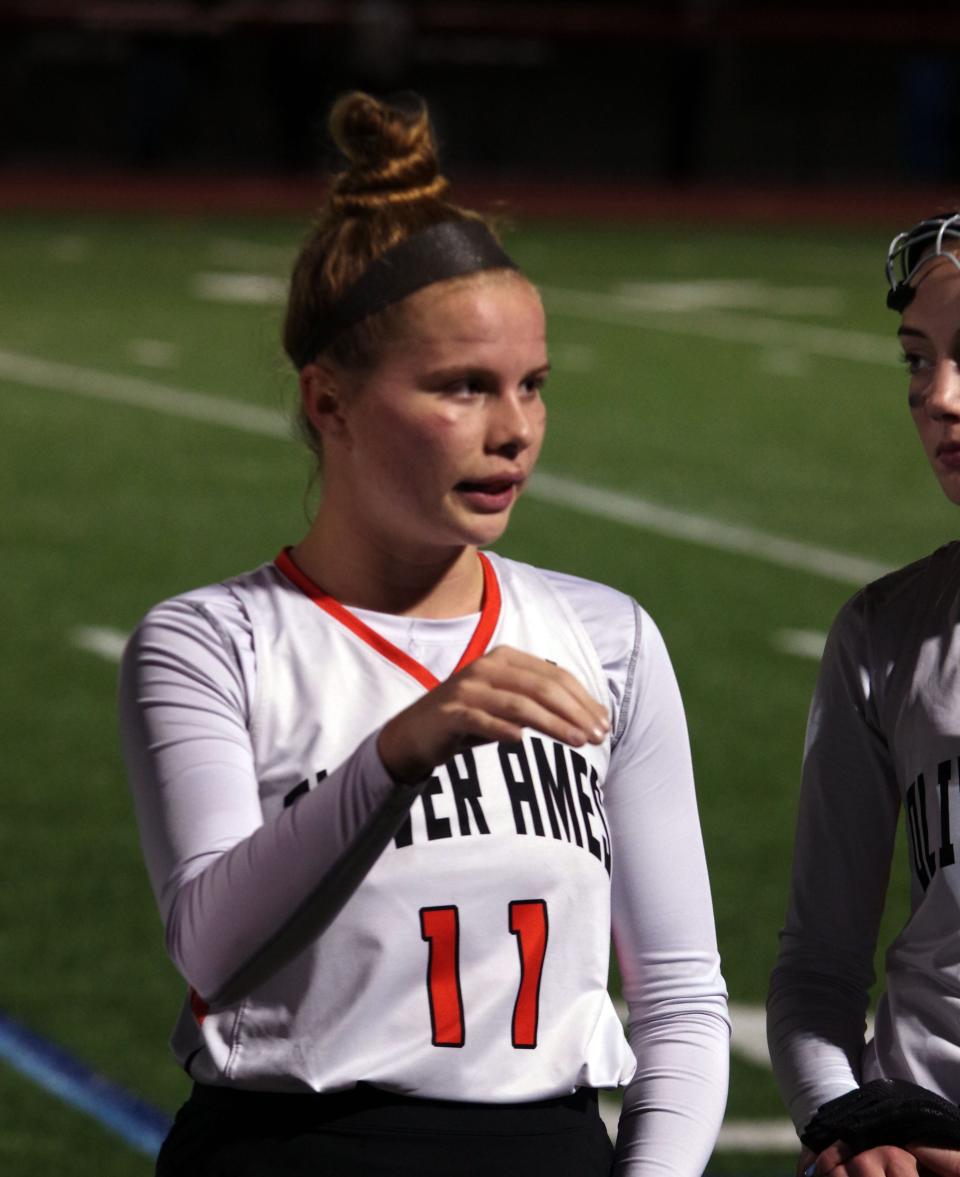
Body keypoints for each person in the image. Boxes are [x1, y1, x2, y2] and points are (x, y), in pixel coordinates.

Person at [119, 90, 729, 1177]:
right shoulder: (213, 642)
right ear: (330, 402)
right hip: (291, 1150)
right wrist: (406, 744)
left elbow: (679, 997)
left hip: (550, 1148)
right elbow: (212, 946)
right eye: (462, 387)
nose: (515, 431)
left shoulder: (606, 635)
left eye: (533, 386)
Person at [767, 213, 960, 1177]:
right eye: (917, 361)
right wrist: (845, 1125)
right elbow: (818, 969)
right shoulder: (884, 631)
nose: (940, 398)